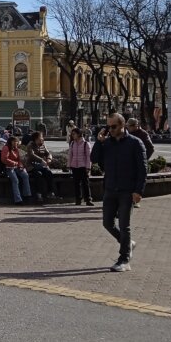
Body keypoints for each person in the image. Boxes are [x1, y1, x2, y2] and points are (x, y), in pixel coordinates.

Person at [91, 113, 147, 272]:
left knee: (124, 225)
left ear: (122, 125)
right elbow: (94, 158)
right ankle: (127, 243)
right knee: (107, 223)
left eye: (114, 126)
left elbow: (143, 169)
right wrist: (99, 142)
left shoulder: (135, 143)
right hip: (110, 189)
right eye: (108, 126)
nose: (110, 130)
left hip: (127, 191)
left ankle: (124, 260)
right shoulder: (107, 143)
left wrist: (138, 191)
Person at [25, 130, 58, 202]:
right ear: (36, 139)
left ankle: (51, 192)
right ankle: (38, 194)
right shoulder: (30, 145)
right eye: (41, 137)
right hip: (32, 165)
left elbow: (48, 153)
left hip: (41, 166)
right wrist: (41, 160)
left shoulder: (42, 145)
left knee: (48, 173)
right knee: (38, 174)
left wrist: (49, 159)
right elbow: (31, 155)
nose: (42, 139)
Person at [0, 135, 32, 205]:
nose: (16, 143)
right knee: (15, 180)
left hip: (16, 167)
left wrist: (20, 166)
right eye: (14, 141)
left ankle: (27, 195)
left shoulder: (16, 149)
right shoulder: (6, 148)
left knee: (25, 175)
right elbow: (4, 159)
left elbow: (18, 159)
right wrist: (13, 163)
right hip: (8, 168)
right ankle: (18, 200)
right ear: (10, 142)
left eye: (16, 141)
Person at [68, 126, 93, 206]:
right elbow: (70, 155)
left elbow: (89, 157)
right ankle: (78, 199)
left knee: (85, 183)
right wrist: (69, 165)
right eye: (72, 134)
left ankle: (88, 199)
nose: (72, 135)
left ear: (79, 134)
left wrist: (88, 167)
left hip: (83, 166)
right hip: (74, 166)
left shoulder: (86, 144)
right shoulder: (72, 144)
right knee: (76, 184)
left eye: (74, 134)